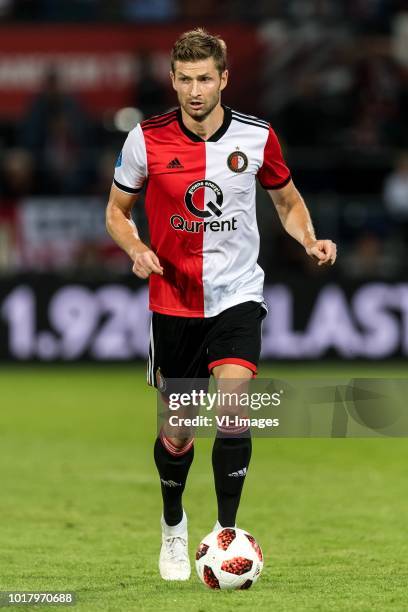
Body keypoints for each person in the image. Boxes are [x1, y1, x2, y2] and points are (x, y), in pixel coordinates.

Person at [106, 28, 337, 582]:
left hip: (237, 295)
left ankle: (225, 533)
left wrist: (307, 238)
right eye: (184, 79)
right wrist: (137, 249)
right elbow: (117, 211)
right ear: (172, 80)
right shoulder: (145, 139)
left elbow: (287, 200)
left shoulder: (258, 138)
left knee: (233, 408)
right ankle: (172, 526)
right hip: (174, 300)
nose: (194, 89)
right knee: (178, 429)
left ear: (224, 79)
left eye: (204, 78)